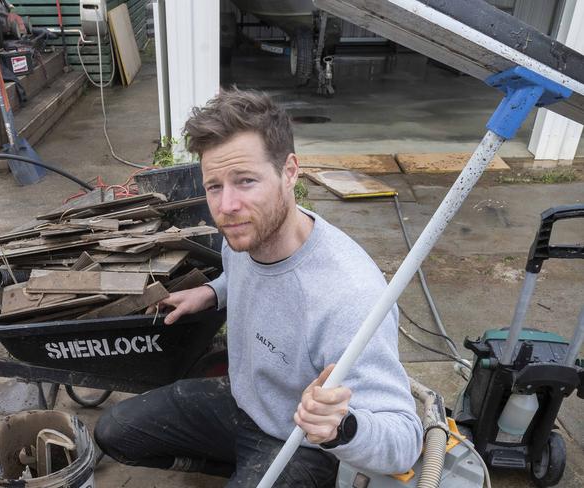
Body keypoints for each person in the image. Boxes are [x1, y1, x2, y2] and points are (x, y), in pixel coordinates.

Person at [94, 88, 423, 487]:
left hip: (299, 441)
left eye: (245, 181)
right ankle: (240, 471)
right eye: (214, 186)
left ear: (289, 172)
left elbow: (406, 440)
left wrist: (342, 427)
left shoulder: (348, 296)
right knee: (114, 431)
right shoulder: (247, 234)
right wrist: (213, 291)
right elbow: (244, 276)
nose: (226, 205)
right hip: (243, 403)